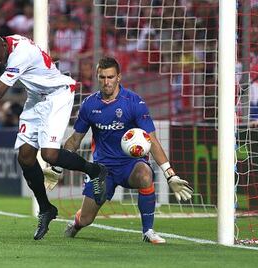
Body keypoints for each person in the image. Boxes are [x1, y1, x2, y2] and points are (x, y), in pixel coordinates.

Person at [0, 33, 108, 240]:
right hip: (36, 98)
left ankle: (95, 170)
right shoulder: (8, 43)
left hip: (57, 95)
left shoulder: (20, 54)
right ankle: (46, 208)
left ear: (4, 45)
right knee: (25, 156)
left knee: (49, 154)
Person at [48, 56, 193, 243]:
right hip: (102, 170)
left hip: (130, 165)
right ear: (97, 77)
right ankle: (76, 223)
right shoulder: (89, 105)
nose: (106, 82)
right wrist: (57, 166)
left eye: (110, 77)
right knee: (86, 219)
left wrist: (170, 174)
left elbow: (152, 140)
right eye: (102, 77)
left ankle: (148, 231)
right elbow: (75, 140)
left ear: (119, 77)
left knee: (145, 175)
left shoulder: (134, 103)